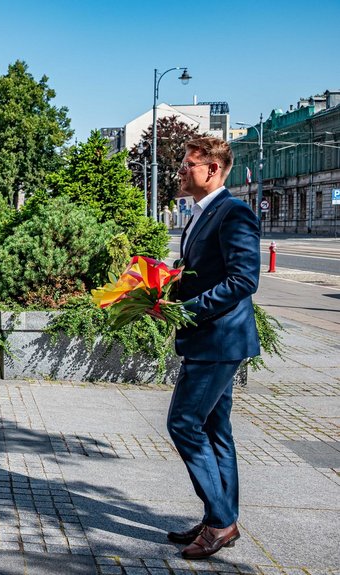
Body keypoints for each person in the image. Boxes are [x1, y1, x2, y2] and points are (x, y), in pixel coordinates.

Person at [166, 137, 261, 560]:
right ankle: (217, 518)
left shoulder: (233, 212)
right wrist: (166, 287)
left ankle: (221, 521)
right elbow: (203, 272)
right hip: (211, 339)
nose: (181, 171)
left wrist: (187, 310)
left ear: (213, 170)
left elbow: (244, 280)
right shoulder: (201, 213)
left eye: (189, 164)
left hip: (219, 339)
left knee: (184, 423)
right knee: (215, 429)